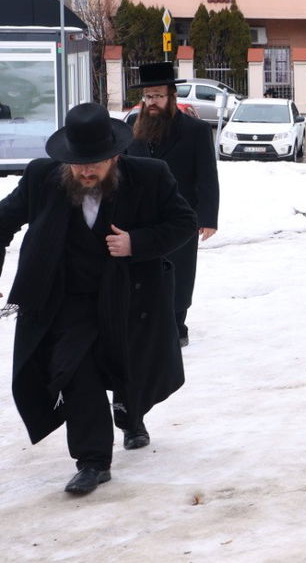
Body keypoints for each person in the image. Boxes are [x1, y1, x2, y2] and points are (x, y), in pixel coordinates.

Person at [0, 103, 195, 495]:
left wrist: (136, 242)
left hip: (126, 297)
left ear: (115, 156)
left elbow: (183, 223)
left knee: (127, 369)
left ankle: (130, 416)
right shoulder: (43, 178)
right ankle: (92, 461)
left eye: (95, 163)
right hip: (67, 301)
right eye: (78, 163)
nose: (86, 171)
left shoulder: (150, 177)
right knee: (75, 369)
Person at [124, 61, 218, 348]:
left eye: (158, 96)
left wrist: (208, 217)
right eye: (147, 97)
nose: (151, 102)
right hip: (140, 215)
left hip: (181, 215)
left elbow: (207, 177)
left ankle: (177, 324)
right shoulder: (131, 126)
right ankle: (145, 320)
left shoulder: (196, 131)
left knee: (179, 270)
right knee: (141, 269)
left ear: (171, 97)